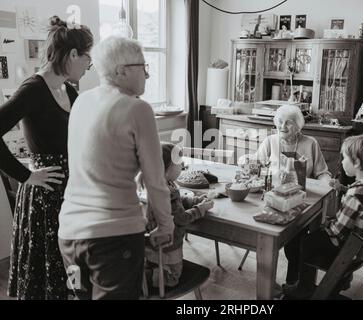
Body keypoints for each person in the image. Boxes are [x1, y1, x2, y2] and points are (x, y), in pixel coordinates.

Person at [57, 36, 175, 300]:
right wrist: (167, 226)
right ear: (121, 71)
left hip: (69, 238)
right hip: (112, 240)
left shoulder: (81, 102)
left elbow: (97, 157)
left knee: (79, 297)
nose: (147, 73)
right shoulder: (138, 109)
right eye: (143, 67)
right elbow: (156, 181)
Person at [0, 16, 93, 300]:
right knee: (48, 276)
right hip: (45, 195)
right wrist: (27, 176)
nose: (90, 65)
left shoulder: (70, 90)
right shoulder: (33, 89)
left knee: (73, 275)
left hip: (71, 193)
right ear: (73, 54)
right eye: (88, 57)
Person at [239, 104, 332, 291]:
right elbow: (255, 162)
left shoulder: (310, 143)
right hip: (272, 200)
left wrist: (326, 184)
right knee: (268, 231)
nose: (282, 126)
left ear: (299, 126)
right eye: (280, 122)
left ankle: (294, 282)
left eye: (289, 123)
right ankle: (276, 284)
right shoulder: (271, 141)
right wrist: (246, 160)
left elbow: (323, 173)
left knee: (296, 238)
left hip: (300, 200)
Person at [288, 134, 363, 299]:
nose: (342, 161)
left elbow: (336, 231)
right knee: (315, 232)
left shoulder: (355, 196)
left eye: (344, 157)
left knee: (306, 242)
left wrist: (324, 223)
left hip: (343, 249)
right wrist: (343, 189)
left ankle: (304, 287)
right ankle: (344, 279)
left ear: (357, 163)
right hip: (359, 248)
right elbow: (361, 200)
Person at [138, 143, 214, 287]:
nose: (183, 165)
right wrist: (201, 208)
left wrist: (194, 200)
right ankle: (148, 280)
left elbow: (176, 203)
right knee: (174, 277)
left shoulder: (159, 184)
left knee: (156, 263)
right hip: (168, 244)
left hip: (154, 242)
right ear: (167, 169)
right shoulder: (169, 191)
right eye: (179, 164)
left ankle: (149, 272)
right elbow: (181, 219)